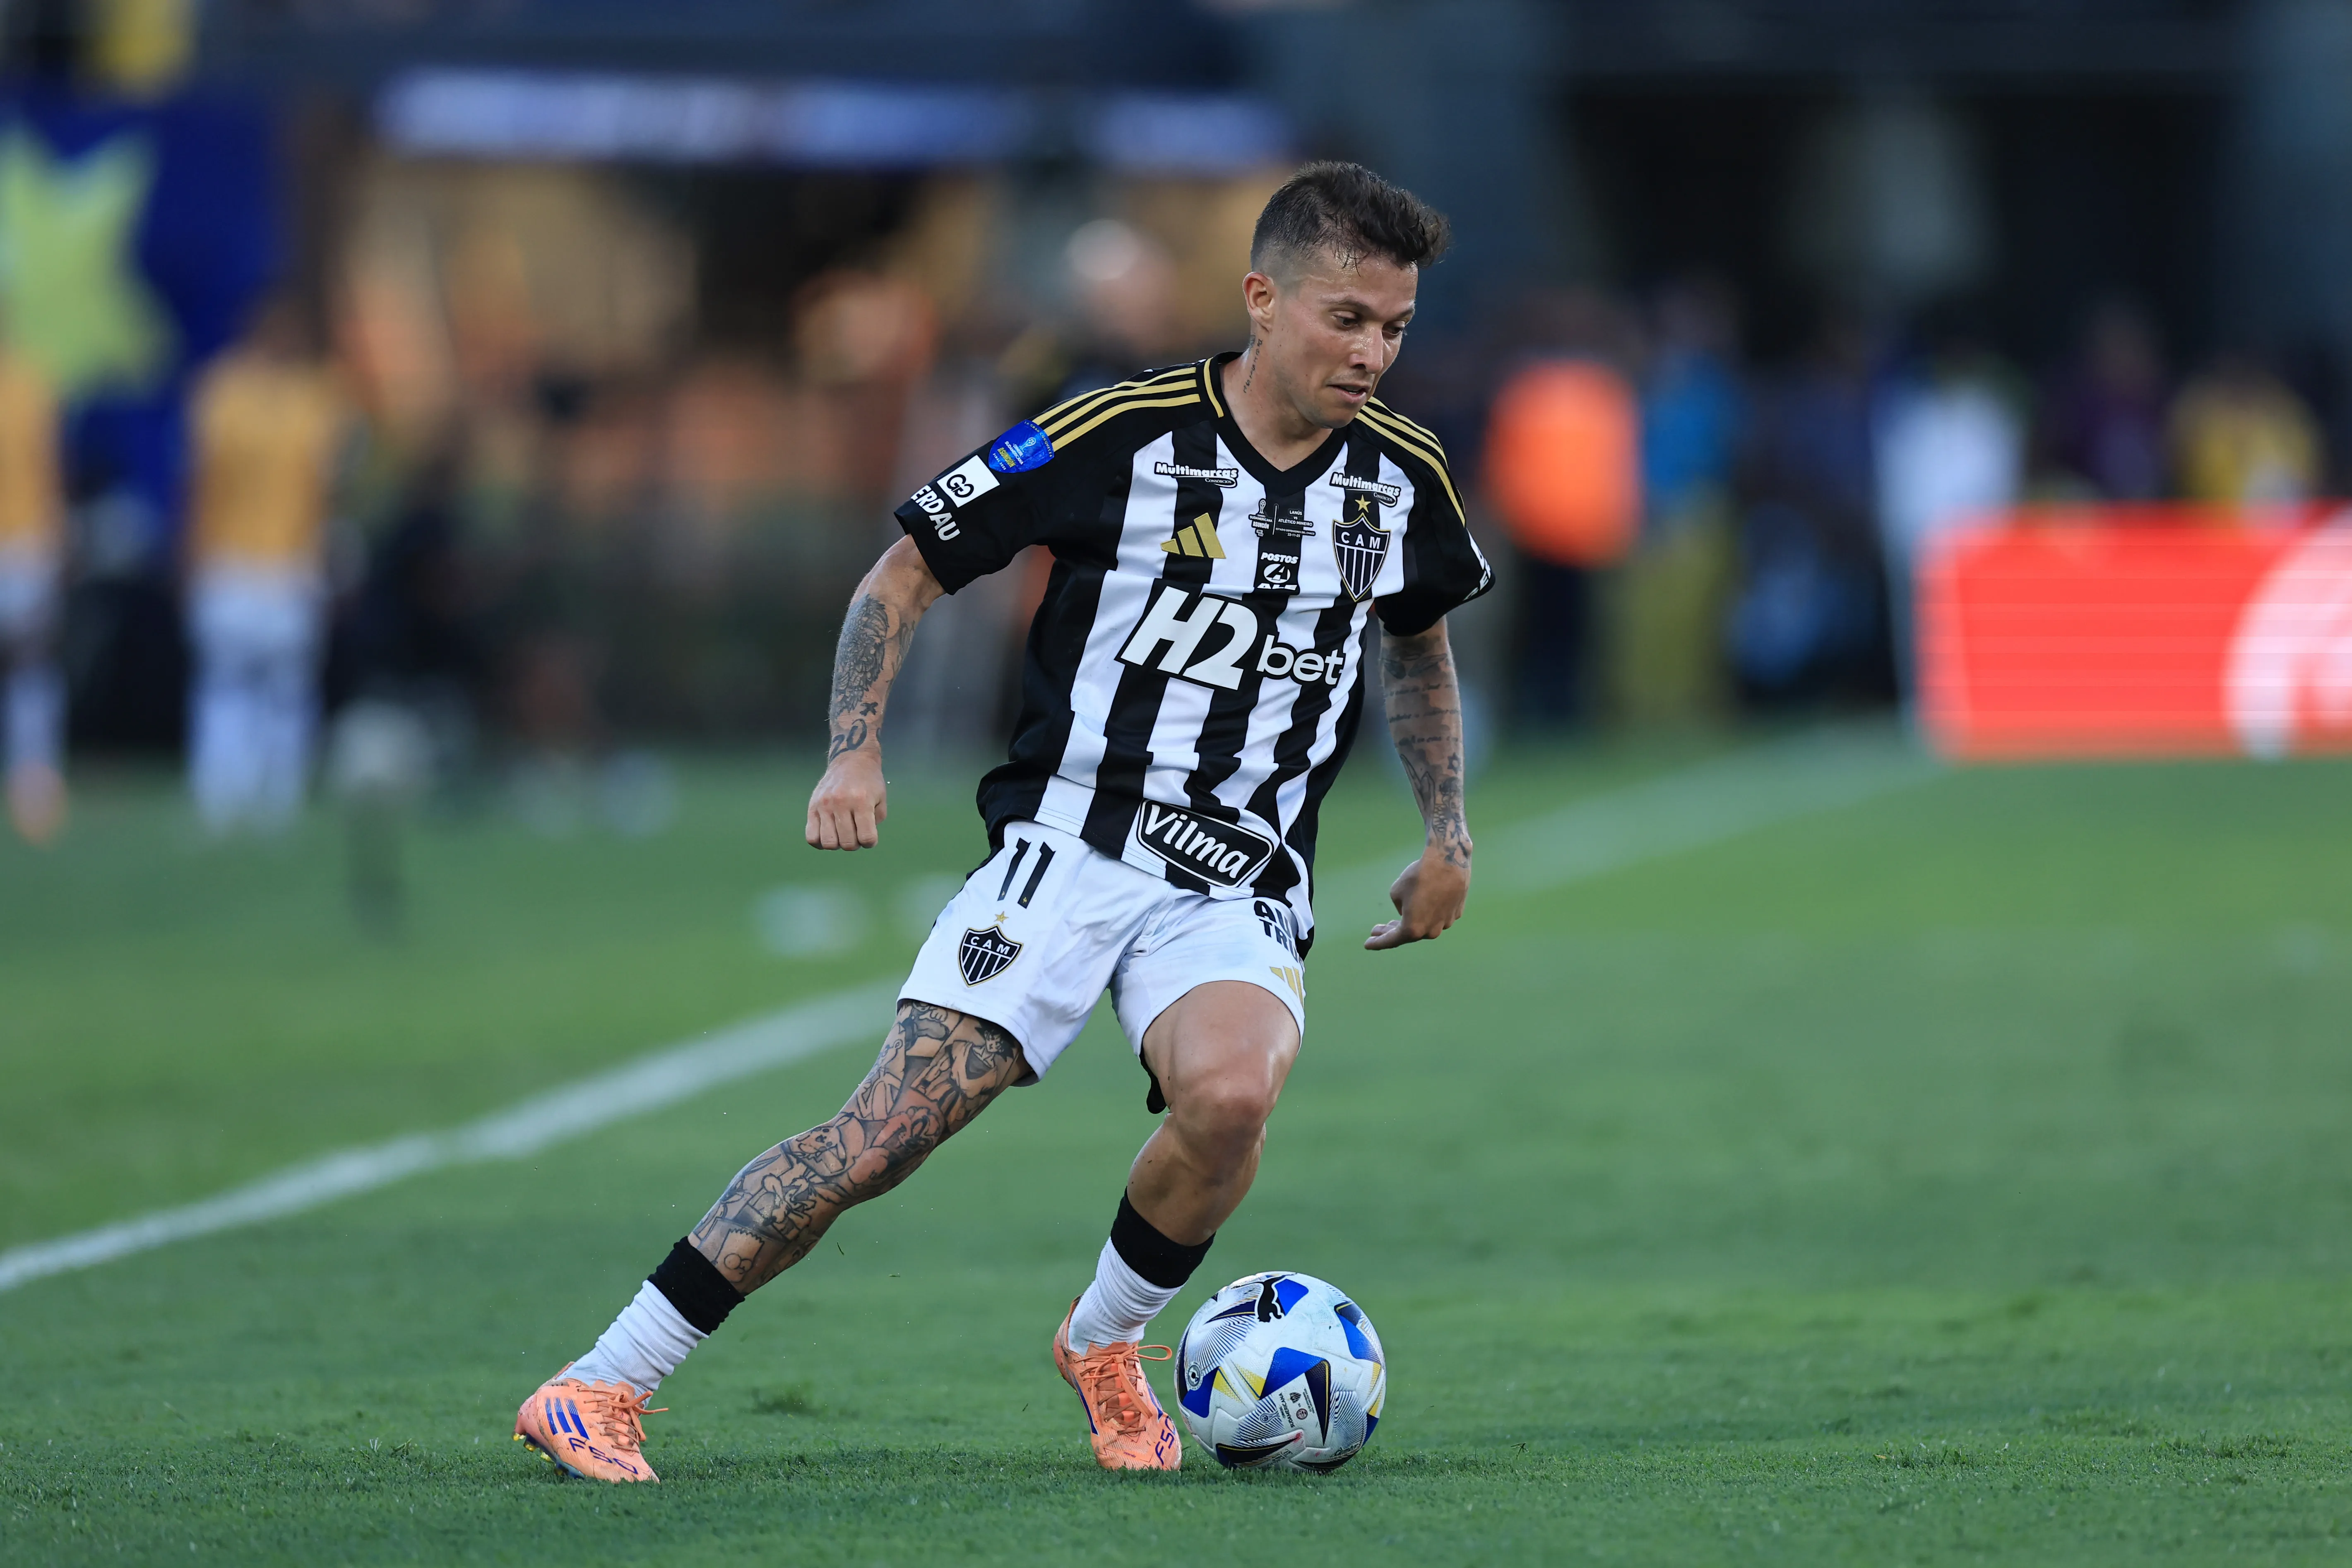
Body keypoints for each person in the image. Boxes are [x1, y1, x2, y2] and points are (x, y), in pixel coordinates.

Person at [513, 162, 1491, 1483]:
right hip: (1071, 852)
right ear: (1261, 299)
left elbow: (1416, 642)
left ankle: (1106, 1341)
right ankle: (600, 1378)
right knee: (882, 1138)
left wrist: (1449, 831)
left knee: (1231, 1093)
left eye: (1394, 326)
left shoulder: (1401, 478)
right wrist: (851, 749)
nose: (1371, 351)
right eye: (1345, 318)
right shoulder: (1115, 433)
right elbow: (906, 565)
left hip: (1236, 877)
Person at [183, 299, 350, 834]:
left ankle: (277, 797)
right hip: (231, 558)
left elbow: (326, 491)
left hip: (290, 563)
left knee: (285, 684)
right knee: (229, 680)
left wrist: (325, 561)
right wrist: (191, 553)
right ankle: (222, 793)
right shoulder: (223, 392)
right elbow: (202, 481)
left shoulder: (317, 398)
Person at [0, 334, 66, 844]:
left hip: (23, 544)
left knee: (31, 669)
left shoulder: (28, 385)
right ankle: (35, 792)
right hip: (24, 546)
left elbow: (48, 472)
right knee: (31, 670)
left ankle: (35, 787)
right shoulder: (28, 385)